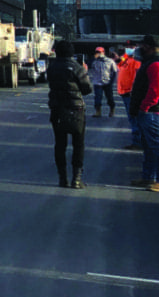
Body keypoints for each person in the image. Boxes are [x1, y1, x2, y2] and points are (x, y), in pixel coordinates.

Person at [46, 39, 92, 188]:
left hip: (57, 109)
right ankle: (76, 179)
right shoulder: (77, 68)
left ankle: (62, 178)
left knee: (60, 144)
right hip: (75, 109)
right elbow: (87, 89)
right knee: (78, 144)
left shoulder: (52, 68)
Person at [128, 33, 159, 193]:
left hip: (153, 113)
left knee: (158, 146)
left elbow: (156, 90)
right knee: (149, 147)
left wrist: (145, 107)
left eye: (143, 45)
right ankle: (149, 177)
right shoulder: (150, 63)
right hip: (150, 112)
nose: (140, 48)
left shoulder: (156, 64)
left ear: (149, 47)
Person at [116, 44, 141, 152]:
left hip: (130, 93)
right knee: (132, 118)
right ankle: (137, 141)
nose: (128, 49)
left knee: (134, 118)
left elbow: (138, 77)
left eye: (131, 47)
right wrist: (125, 55)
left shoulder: (137, 62)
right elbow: (119, 64)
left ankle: (138, 142)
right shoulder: (126, 60)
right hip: (125, 92)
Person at [88, 46, 118, 117]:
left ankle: (112, 110)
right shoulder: (94, 61)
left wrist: (111, 82)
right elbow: (88, 66)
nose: (98, 53)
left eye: (100, 52)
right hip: (97, 82)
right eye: (97, 52)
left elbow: (114, 72)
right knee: (97, 98)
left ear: (103, 52)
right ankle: (98, 111)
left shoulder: (110, 61)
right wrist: (93, 59)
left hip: (107, 82)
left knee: (110, 98)